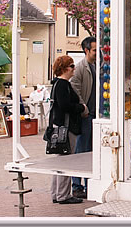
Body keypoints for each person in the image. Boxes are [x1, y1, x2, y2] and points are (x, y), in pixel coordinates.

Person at [49, 55, 87, 204]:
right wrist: (81, 107)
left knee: (59, 160)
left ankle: (56, 193)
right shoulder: (63, 85)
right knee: (66, 160)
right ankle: (63, 195)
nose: (74, 69)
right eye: (71, 66)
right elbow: (65, 105)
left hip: (59, 126)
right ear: (65, 69)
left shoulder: (57, 84)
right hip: (66, 127)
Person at [69, 36, 97, 199]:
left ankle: (88, 184)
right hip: (85, 116)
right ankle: (77, 185)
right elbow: (75, 91)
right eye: (94, 50)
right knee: (81, 151)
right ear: (86, 50)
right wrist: (83, 109)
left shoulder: (96, 66)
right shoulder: (80, 68)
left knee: (91, 151)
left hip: (94, 115)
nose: (97, 52)